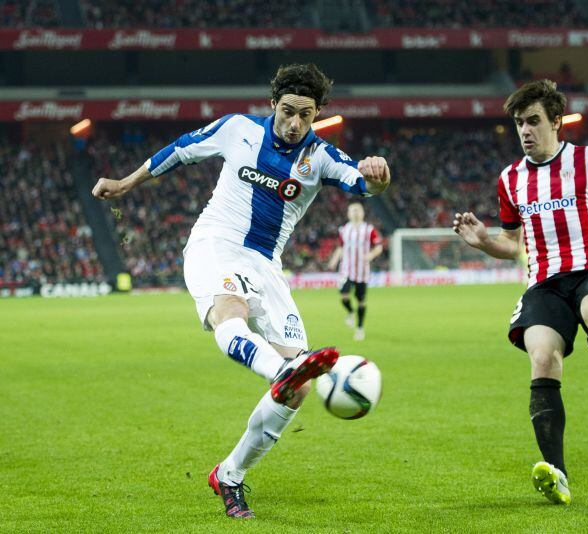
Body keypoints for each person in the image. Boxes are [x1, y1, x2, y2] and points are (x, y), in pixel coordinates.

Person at [92, 63, 391, 519]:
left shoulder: (321, 156)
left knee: (301, 392)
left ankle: (229, 475)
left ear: (316, 115)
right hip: (216, 243)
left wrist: (377, 176)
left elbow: (361, 183)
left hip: (266, 266)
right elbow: (181, 150)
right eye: (288, 111)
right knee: (229, 313)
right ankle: (281, 369)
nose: (295, 124)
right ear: (273, 103)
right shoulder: (237, 129)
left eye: (305, 116)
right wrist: (124, 184)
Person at [453, 80, 588, 505]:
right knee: (543, 356)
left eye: (533, 121)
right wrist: (484, 241)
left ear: (556, 123)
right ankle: (557, 474)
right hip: (544, 282)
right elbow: (512, 244)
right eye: (518, 123)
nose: (524, 130)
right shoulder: (510, 179)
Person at [327, 202, 383, 340]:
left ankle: (359, 328)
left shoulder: (369, 230)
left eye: (358, 210)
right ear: (348, 213)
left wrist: (370, 255)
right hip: (346, 270)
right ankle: (351, 312)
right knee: (343, 295)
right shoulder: (344, 230)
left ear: (363, 213)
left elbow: (378, 247)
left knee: (361, 302)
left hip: (362, 272)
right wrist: (333, 261)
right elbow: (340, 247)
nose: (355, 212)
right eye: (353, 210)